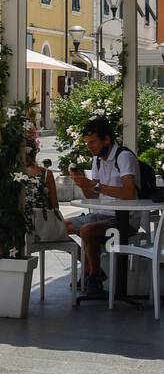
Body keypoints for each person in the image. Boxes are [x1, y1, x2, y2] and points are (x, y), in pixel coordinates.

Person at [67, 117, 139, 294]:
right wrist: (83, 185)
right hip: (100, 214)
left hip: (123, 218)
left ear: (106, 139)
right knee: (60, 227)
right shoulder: (97, 159)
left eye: (93, 142)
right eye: (87, 142)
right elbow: (94, 195)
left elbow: (129, 193)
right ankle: (93, 269)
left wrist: (95, 185)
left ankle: (93, 278)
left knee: (87, 231)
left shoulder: (124, 157)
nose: (90, 146)